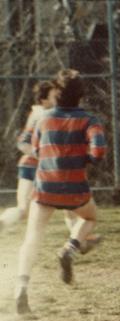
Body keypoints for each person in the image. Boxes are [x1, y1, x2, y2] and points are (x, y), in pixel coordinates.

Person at [15, 69, 107, 314]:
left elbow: (34, 148)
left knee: (32, 237)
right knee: (89, 217)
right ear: (81, 95)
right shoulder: (90, 120)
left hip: (45, 187)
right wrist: (84, 159)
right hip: (75, 187)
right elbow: (98, 152)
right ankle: (70, 248)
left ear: (56, 93)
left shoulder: (42, 119)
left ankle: (21, 288)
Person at [0, 82, 54, 232]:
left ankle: (79, 238)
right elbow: (23, 143)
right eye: (54, 96)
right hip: (33, 165)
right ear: (44, 100)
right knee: (25, 209)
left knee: (24, 209)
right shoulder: (42, 114)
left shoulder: (43, 113)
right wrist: (43, 156)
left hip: (34, 165)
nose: (58, 98)